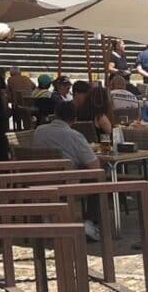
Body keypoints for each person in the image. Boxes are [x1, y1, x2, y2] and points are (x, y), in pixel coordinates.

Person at [32, 100, 101, 241]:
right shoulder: (74, 136)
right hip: (65, 183)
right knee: (97, 178)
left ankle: (48, 217)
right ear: (74, 118)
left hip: (38, 179)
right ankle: (89, 222)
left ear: (55, 115)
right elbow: (95, 167)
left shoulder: (39, 131)